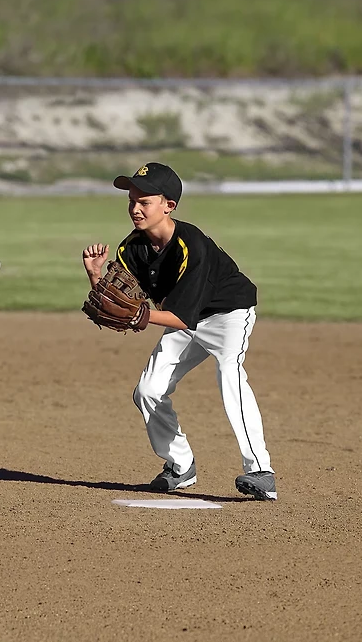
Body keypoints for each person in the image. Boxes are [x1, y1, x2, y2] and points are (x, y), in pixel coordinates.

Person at [82, 162, 276, 500]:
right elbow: (118, 303)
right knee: (148, 390)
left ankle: (260, 471)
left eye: (145, 201)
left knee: (229, 373)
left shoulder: (191, 246)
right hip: (183, 319)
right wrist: (97, 276)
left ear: (169, 205)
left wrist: (141, 316)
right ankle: (180, 465)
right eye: (131, 201)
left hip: (228, 314)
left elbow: (177, 317)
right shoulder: (132, 248)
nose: (135, 208)